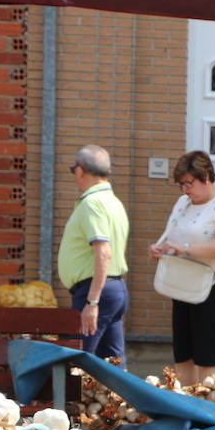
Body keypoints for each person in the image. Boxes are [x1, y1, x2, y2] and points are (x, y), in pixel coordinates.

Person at [150, 151, 215, 386]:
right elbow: (173, 235)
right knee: (184, 353)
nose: (185, 190)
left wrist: (185, 248)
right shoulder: (183, 202)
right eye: (181, 184)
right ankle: (188, 406)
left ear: (206, 176)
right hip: (185, 283)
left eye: (189, 183)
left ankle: (211, 408)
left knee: (207, 354)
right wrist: (162, 248)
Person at [58, 145, 130, 366]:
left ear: (80, 171)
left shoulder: (92, 204)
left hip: (95, 291)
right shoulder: (114, 202)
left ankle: (69, 402)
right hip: (114, 289)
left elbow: (103, 252)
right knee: (113, 365)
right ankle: (121, 401)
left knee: (77, 362)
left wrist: (92, 301)